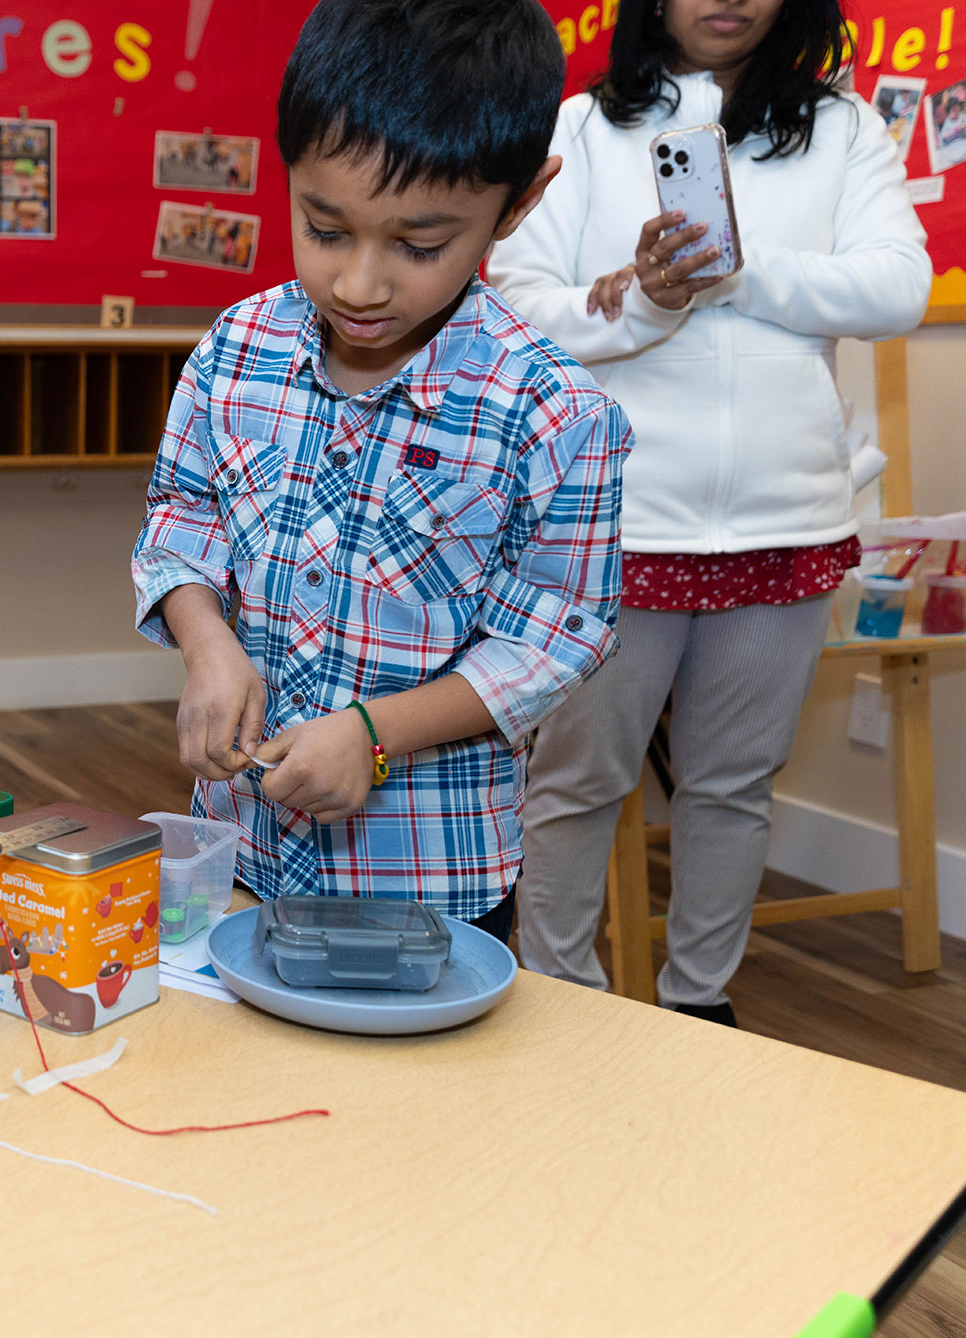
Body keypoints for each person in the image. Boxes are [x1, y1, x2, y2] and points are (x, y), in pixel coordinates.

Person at [131, 0, 631, 942]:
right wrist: (205, 643)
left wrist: (374, 734)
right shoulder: (235, 350)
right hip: (238, 847)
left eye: (418, 246)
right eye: (324, 228)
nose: (359, 285)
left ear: (519, 202)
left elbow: (554, 639)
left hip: (427, 879)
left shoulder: (555, 413)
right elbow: (181, 517)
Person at [489, 0, 928, 1022]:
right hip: (618, 521)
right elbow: (517, 304)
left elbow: (899, 288)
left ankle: (700, 1006)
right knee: (577, 784)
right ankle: (563, 1004)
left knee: (731, 789)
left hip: (787, 522)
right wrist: (647, 299)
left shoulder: (844, 127)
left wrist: (739, 276)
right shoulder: (581, 128)